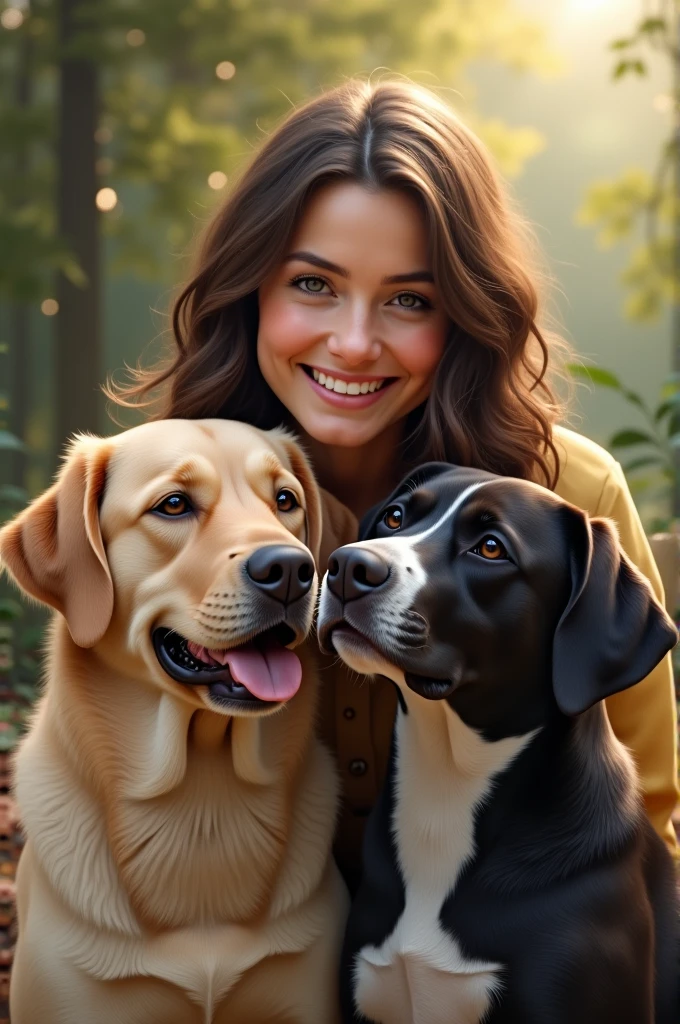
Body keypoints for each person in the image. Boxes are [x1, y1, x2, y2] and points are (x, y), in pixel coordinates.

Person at [108, 78, 679, 888]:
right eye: (314, 284)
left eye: (409, 300)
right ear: (251, 288)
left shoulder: (568, 498)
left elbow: (644, 812)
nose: (353, 342)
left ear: (467, 314)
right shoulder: (157, 501)